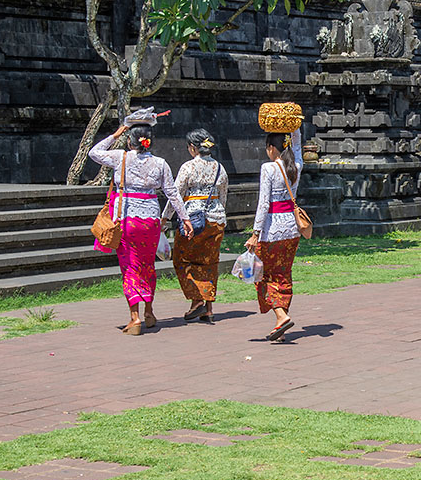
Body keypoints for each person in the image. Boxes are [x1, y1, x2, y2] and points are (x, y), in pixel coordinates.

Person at [90, 121, 192, 335]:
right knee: (147, 265)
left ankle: (135, 317)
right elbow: (172, 193)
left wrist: (115, 134)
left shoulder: (120, 157)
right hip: (151, 221)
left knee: (130, 267)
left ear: (130, 141)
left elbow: (94, 152)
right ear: (149, 142)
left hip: (127, 221)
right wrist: (185, 218)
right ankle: (149, 311)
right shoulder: (160, 163)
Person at [163, 129, 229, 323]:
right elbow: (223, 196)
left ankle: (197, 300)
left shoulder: (188, 167)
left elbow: (176, 195)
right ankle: (208, 308)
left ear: (192, 147)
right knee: (209, 262)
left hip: (192, 220)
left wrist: (165, 218)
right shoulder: (220, 168)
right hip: (216, 220)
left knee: (182, 259)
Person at [245, 128, 303, 341]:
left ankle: (281, 315)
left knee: (261, 275)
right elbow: (297, 145)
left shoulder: (268, 168)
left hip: (271, 231)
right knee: (283, 274)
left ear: (271, 148)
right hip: (292, 230)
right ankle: (281, 325)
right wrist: (294, 126)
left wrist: (255, 233)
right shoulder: (296, 166)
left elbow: (263, 203)